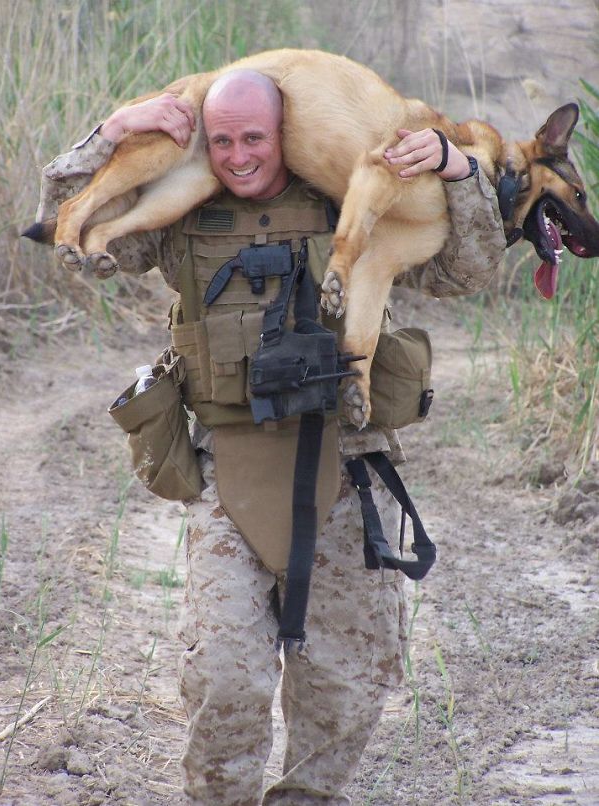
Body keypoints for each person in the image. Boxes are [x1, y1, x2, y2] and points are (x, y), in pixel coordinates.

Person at [35, 67, 506, 805]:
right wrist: (109, 137)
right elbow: (66, 232)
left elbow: (468, 270)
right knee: (223, 678)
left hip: (345, 474)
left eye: (254, 137)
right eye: (221, 140)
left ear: (285, 132)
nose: (238, 156)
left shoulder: (353, 196)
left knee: (344, 688)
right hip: (228, 474)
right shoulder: (181, 211)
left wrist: (457, 169)